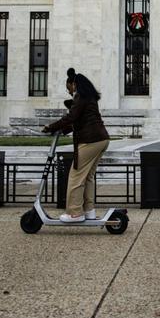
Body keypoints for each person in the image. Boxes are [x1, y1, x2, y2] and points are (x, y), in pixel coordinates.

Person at [43, 68, 111, 223]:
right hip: (101, 139)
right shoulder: (89, 97)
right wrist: (63, 129)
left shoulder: (80, 96)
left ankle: (75, 213)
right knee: (87, 177)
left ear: (74, 84)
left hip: (90, 140)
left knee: (76, 176)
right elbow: (78, 121)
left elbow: (71, 117)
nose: (69, 92)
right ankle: (89, 211)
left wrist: (51, 127)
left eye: (69, 88)